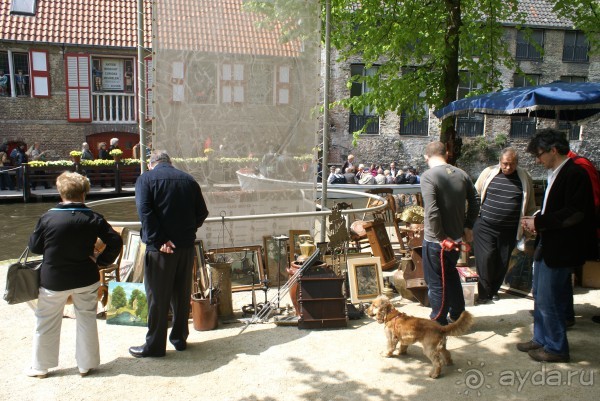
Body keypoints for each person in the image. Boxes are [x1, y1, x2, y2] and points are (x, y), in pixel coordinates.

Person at [25, 171, 123, 378]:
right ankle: (85, 365)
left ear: (61, 193)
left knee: (46, 320)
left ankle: (40, 367)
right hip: (85, 276)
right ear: (84, 194)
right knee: (86, 318)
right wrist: (101, 261)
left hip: (54, 277)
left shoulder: (47, 217)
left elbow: (34, 247)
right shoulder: (93, 218)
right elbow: (116, 241)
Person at [518, 128, 597, 363]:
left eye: (540, 154)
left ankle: (556, 347)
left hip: (561, 248)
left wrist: (539, 222)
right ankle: (541, 339)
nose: (537, 159)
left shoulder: (575, 173)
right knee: (541, 296)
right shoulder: (556, 172)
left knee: (550, 299)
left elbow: (574, 213)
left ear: (553, 150)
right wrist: (537, 219)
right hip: (548, 244)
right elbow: (556, 209)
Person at [129, 150, 209, 358]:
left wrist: (160, 239)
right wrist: (187, 232)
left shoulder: (145, 179)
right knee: (181, 294)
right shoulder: (189, 180)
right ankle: (179, 338)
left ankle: (155, 346)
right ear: (170, 163)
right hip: (185, 246)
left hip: (160, 250)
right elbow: (202, 212)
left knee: (157, 297)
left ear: (151, 164)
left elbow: (144, 211)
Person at [420, 141, 479, 326]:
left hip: (437, 241)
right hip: (455, 237)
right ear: (446, 153)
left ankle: (438, 323)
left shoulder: (428, 176)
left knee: (436, 282)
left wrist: (440, 237)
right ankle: (458, 314)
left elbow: (432, 210)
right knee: (451, 275)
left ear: (426, 157)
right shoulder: (461, 174)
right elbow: (475, 200)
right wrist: (468, 226)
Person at [473, 147, 537, 303]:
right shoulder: (488, 173)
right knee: (485, 258)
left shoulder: (524, 177)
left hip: (509, 229)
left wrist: (529, 224)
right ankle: (483, 292)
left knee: (502, 260)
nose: (508, 167)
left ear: (517, 163)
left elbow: (530, 204)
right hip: (485, 226)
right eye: (505, 164)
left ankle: (493, 290)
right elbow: (475, 193)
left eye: (512, 164)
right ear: (499, 161)